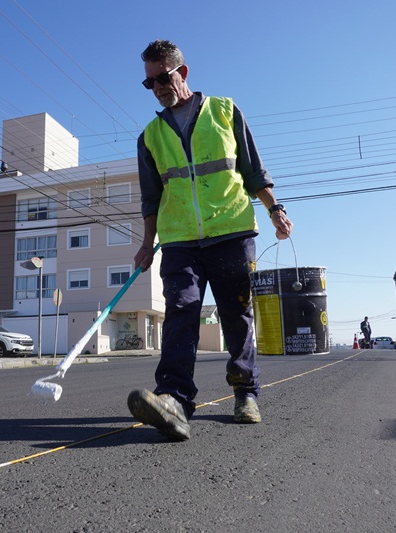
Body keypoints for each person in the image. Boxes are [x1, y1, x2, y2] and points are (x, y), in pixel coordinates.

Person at [127, 40, 293, 441]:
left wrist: (275, 209)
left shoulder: (224, 111)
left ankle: (245, 393)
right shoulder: (150, 136)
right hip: (180, 239)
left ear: (181, 73)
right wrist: (147, 242)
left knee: (237, 315)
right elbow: (152, 198)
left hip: (231, 231)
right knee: (181, 311)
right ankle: (174, 399)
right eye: (149, 84)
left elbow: (253, 170)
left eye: (162, 78)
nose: (158, 88)